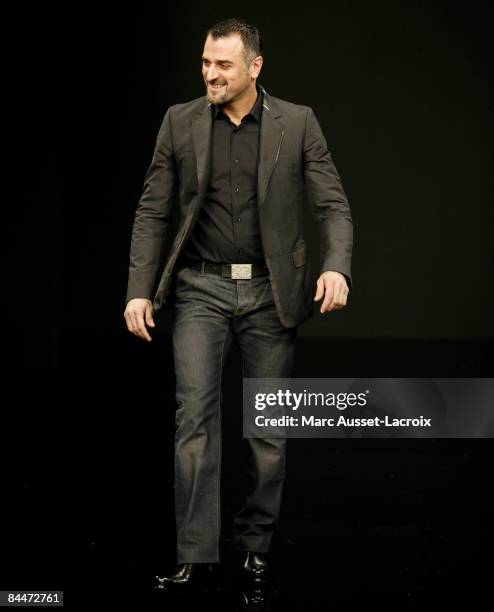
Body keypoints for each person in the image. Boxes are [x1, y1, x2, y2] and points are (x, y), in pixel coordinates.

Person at [124, 17, 353, 593]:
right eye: (205, 62)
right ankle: (195, 552)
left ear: (254, 67)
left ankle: (255, 544)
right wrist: (137, 288)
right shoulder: (179, 122)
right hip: (199, 287)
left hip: (270, 294)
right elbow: (153, 210)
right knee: (193, 419)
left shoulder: (296, 124)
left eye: (223, 64)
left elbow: (333, 206)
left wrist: (335, 265)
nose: (210, 74)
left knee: (267, 427)